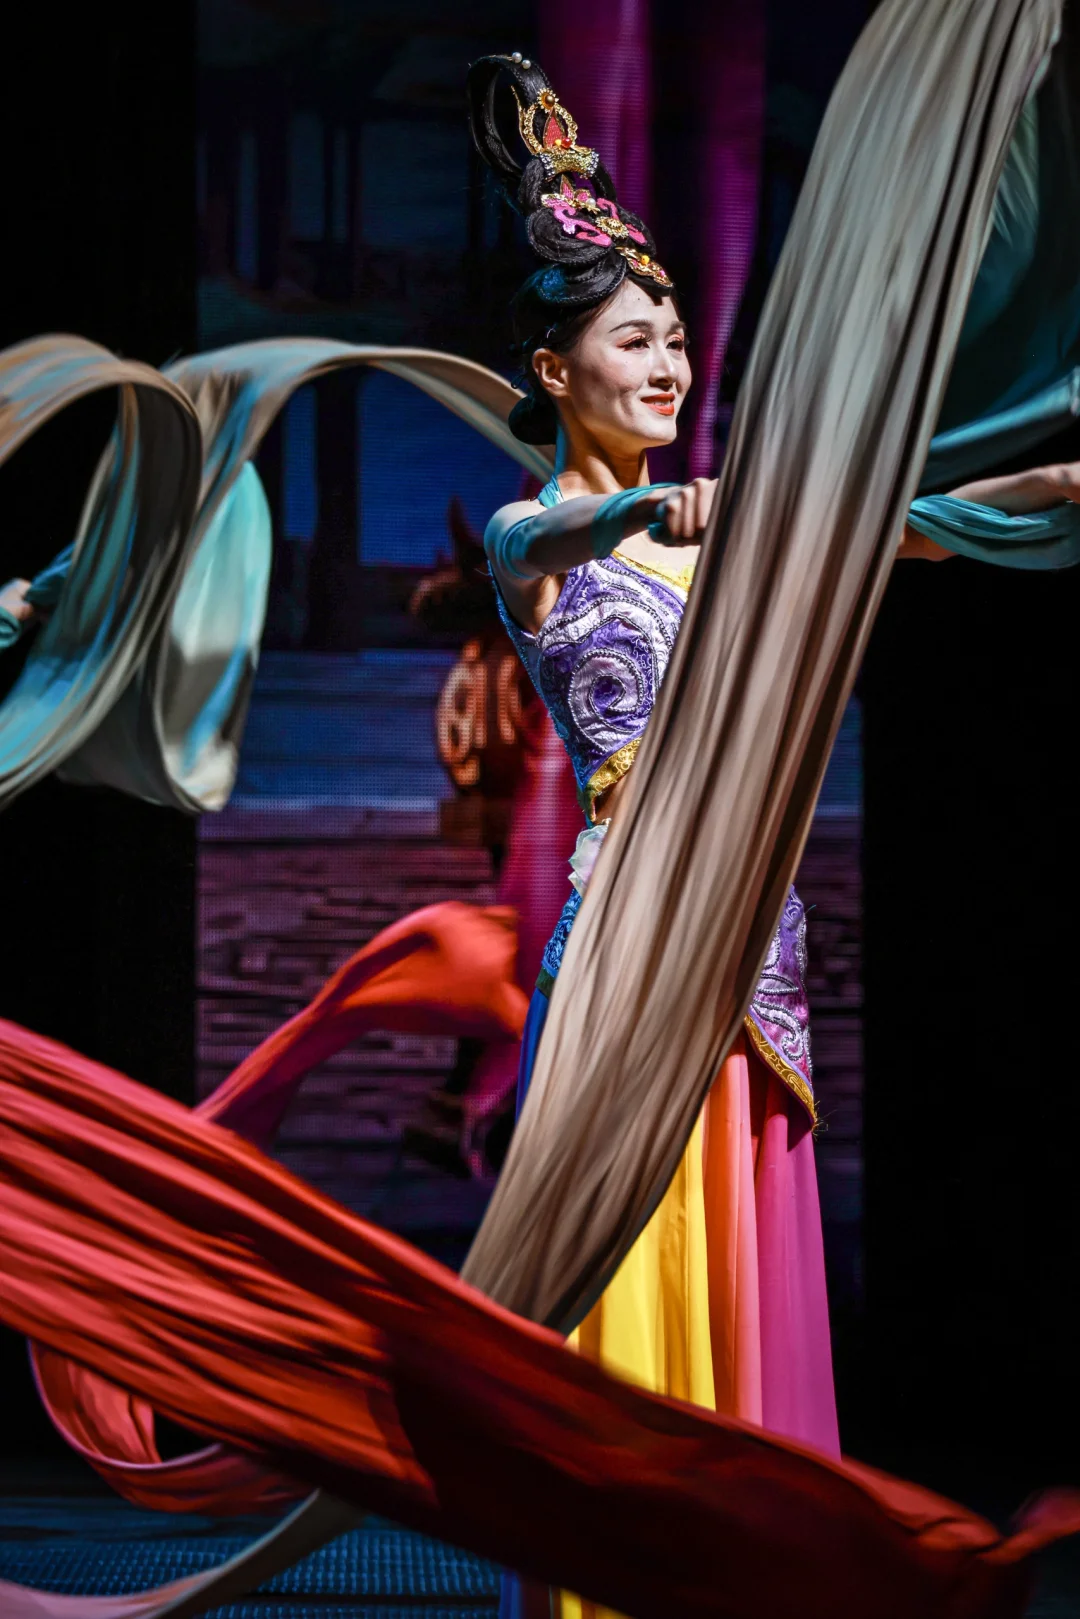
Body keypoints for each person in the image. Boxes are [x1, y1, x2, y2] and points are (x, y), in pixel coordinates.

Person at [466, 49, 1080, 1619]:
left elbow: (902, 520)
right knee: (639, 1256)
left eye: (678, 338)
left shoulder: (726, 534)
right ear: (554, 371)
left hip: (754, 943)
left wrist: (1050, 476)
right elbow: (561, 523)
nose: (669, 363)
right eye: (634, 340)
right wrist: (639, 509)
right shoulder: (535, 540)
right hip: (634, 943)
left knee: (749, 1262)